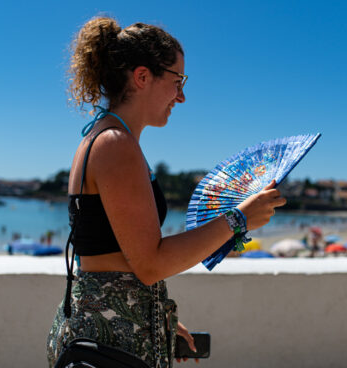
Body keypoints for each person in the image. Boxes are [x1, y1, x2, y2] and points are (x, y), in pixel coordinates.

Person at [46, 16, 286, 368]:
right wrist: (239, 218)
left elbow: (121, 258)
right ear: (142, 77)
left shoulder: (106, 137)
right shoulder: (115, 144)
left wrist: (157, 318)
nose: (182, 96)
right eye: (178, 81)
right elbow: (151, 263)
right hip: (109, 345)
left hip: (107, 334)